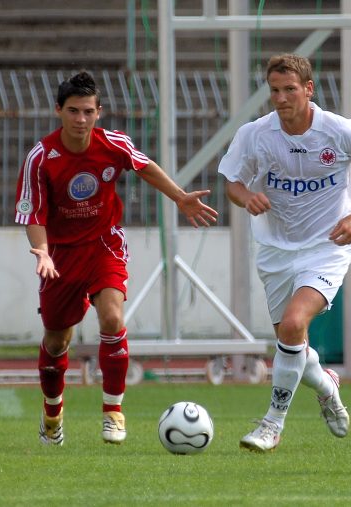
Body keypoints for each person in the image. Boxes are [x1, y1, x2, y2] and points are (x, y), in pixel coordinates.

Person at [15, 71, 219, 446]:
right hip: (59, 255)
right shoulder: (41, 158)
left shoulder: (113, 144)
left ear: (99, 112)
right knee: (57, 340)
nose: (81, 119)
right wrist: (42, 252)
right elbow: (34, 215)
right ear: (58, 110)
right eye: (73, 111)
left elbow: (146, 167)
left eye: (88, 111)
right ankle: (52, 414)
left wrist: (180, 197)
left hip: (104, 244)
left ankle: (113, 413)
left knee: (112, 317)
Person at [218, 54, 351, 452]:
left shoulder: (339, 132)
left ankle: (272, 424)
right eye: (274, 91)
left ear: (308, 89)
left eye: (289, 89)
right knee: (292, 339)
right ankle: (326, 385)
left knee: (293, 323)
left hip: (327, 247)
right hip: (274, 249)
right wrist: (246, 196)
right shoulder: (256, 134)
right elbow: (231, 181)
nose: (281, 98)